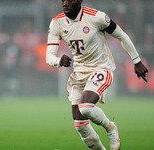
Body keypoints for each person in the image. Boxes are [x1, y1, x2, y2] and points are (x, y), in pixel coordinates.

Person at [46, 0, 148, 149]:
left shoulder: (96, 17)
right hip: (79, 72)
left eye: (70, 0)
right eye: (63, 0)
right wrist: (58, 61)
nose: (65, 3)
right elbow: (49, 56)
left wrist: (137, 61)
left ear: (80, 0)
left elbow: (121, 36)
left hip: (101, 68)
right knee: (79, 124)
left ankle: (110, 127)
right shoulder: (57, 22)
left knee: (86, 107)